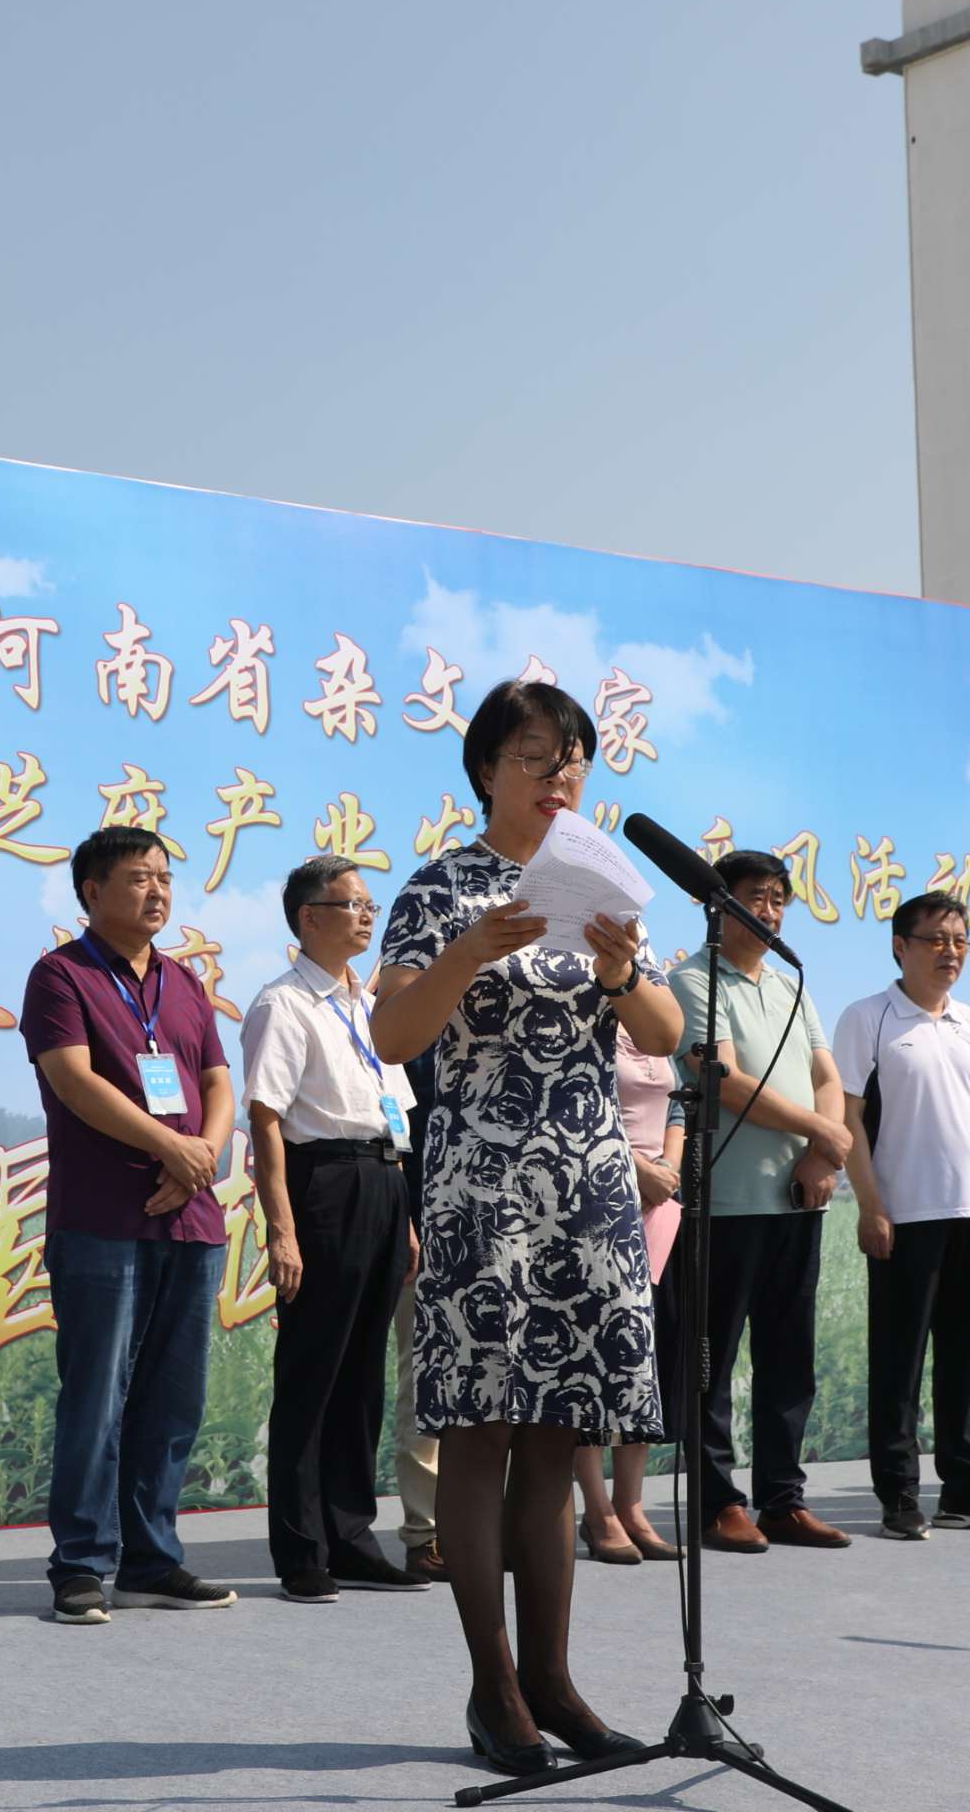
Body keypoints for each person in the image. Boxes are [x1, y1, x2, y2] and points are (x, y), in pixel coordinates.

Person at [371, 678, 681, 1777]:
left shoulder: (596, 882)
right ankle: (493, 1686)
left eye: (574, 759)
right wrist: (469, 951)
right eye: (537, 757)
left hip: (589, 1180)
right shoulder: (439, 888)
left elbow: (664, 1027)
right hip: (481, 1185)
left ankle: (553, 1677)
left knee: (561, 1429)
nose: (560, 777)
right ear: (485, 772)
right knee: (482, 1427)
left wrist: (620, 968)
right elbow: (398, 1035)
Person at [18, 825, 241, 1625]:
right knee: (96, 1396)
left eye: (165, 878)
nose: (158, 891)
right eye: (139, 878)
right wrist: (170, 1148)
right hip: (104, 1219)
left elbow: (218, 1080)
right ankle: (81, 1562)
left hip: (192, 1218)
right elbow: (73, 1082)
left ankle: (152, 1558)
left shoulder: (184, 982)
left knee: (173, 1400)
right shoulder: (60, 977)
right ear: (92, 892)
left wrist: (204, 1156)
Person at [242, 855, 430, 1602]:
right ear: (308, 916)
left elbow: (395, 1110)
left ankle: (352, 1537)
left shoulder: (369, 1003)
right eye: (348, 903)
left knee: (361, 1379)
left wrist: (407, 1217)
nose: (364, 914)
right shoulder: (282, 1004)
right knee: (313, 1373)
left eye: (368, 902)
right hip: (322, 1184)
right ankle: (302, 1549)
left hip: (385, 1181)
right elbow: (265, 1122)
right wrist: (282, 1232)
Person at [663, 849, 852, 1553]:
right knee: (711, 1361)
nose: (769, 911)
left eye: (779, 899)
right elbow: (727, 1083)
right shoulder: (688, 982)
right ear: (716, 904)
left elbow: (825, 1073)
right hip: (726, 1203)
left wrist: (823, 1149)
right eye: (755, 898)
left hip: (798, 1199)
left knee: (788, 1361)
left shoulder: (791, 987)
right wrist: (821, 1130)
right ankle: (717, 1504)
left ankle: (783, 1499)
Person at [833, 890, 970, 1541]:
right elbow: (850, 1118)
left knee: (963, 1359)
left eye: (959, 941)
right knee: (898, 1361)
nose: (950, 953)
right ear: (900, 945)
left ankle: (965, 1486)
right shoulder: (870, 1017)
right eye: (936, 940)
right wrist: (870, 1203)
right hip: (906, 1214)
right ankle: (897, 1493)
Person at [572, 1021, 683, 1564]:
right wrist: (635, 1170)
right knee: (595, 1357)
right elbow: (577, 1107)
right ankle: (597, 1512)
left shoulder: (653, 1023)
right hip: (599, 1194)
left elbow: (679, 1109)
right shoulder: (589, 1023)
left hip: (659, 1205)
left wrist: (667, 1171)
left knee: (645, 1358)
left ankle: (632, 1505)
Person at [389, 1042, 447, 1582]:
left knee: (496, 1387)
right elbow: (397, 1132)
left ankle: (476, 1525)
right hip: (426, 1223)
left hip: (501, 1222)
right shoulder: (408, 1013)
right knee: (424, 1379)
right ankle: (425, 1532)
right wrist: (408, 1219)